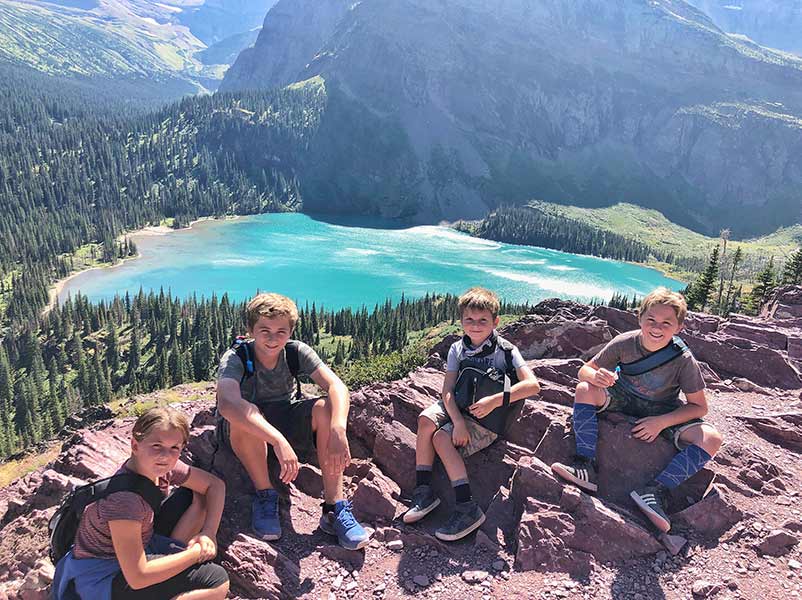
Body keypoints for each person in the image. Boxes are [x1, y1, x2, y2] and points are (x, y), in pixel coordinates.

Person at [550, 287, 723, 532]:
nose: (657, 327)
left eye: (666, 323)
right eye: (651, 319)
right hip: (621, 396)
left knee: (711, 439)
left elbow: (699, 407)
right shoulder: (625, 342)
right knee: (584, 389)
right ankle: (585, 465)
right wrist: (595, 376)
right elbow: (584, 370)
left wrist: (661, 422)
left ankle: (655, 491)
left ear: (679, 328)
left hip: (662, 409)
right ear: (639, 318)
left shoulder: (683, 360)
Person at [215, 292, 370, 550]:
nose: (273, 338)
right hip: (244, 430)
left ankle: (334, 508)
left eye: (281, 331)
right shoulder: (237, 357)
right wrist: (277, 440)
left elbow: (337, 386)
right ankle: (265, 495)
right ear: (251, 330)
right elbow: (228, 404)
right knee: (247, 413)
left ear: (291, 331)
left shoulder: (295, 352)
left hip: (284, 415)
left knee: (326, 408)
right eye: (264, 330)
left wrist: (338, 429)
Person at [404, 287, 541, 541]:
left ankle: (467, 506)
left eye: (482, 320)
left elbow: (532, 385)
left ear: (495, 322)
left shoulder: (506, 351)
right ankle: (423, 492)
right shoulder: (458, 349)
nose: (475, 326)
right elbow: (447, 391)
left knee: (441, 439)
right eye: (469, 319)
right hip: (459, 405)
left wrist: (495, 401)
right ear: (461, 321)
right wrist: (457, 421)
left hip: (488, 418)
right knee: (425, 420)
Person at [53, 407, 229, 600]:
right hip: (103, 576)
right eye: (157, 446)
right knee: (217, 581)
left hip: (137, 544)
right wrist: (195, 554)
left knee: (194, 495)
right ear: (135, 445)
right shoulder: (125, 503)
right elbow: (138, 577)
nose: (165, 456)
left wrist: (209, 533)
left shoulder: (160, 468)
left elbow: (214, 486)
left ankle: (169, 556)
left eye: (174, 448)